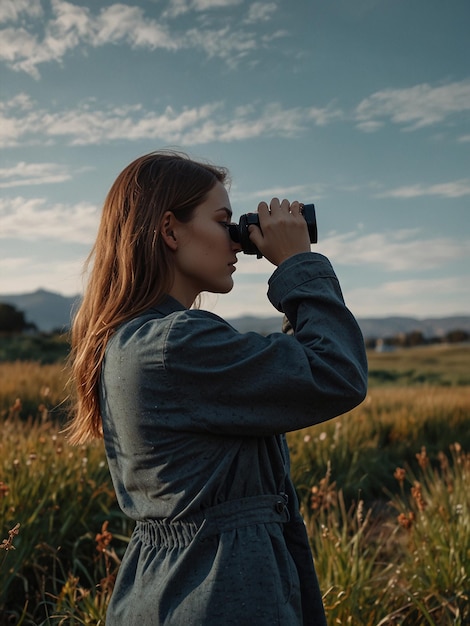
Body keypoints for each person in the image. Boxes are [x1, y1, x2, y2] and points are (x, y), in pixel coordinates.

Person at [67, 150, 368, 625]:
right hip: (221, 591)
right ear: (169, 230)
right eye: (225, 221)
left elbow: (288, 375)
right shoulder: (177, 343)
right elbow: (336, 371)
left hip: (174, 587)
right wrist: (297, 263)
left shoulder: (136, 341)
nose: (237, 242)